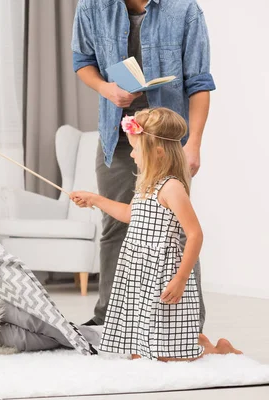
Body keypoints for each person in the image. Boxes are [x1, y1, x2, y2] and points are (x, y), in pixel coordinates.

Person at [71, 0, 216, 328]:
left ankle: (188, 322)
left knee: (174, 229)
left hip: (167, 142)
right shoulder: (92, 7)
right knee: (115, 226)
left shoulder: (184, 10)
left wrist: (193, 144)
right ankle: (109, 319)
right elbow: (82, 62)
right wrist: (107, 89)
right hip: (118, 135)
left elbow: (200, 82)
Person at [70, 108, 241, 360]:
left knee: (170, 355)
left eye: (136, 149)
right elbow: (130, 214)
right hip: (141, 268)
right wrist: (95, 199)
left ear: (157, 153)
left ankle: (216, 348)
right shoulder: (145, 183)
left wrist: (181, 278)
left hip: (163, 272)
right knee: (141, 350)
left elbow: (195, 235)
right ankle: (193, 341)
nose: (131, 154)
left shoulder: (172, 187)